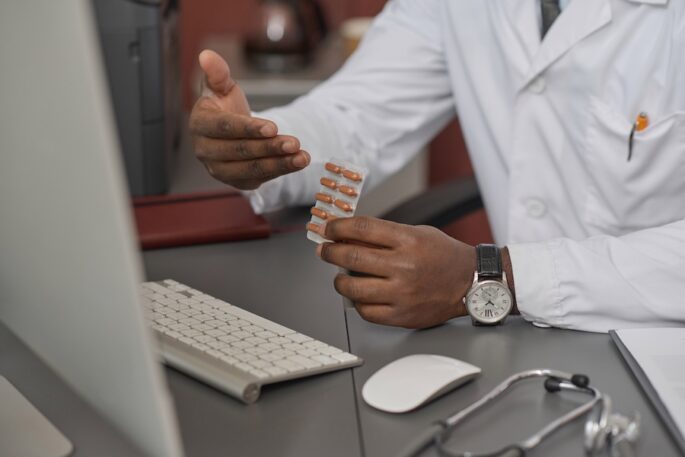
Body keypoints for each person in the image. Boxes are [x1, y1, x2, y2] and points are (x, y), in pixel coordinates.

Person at [189, 0, 685, 332]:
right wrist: (264, 144)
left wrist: (494, 276)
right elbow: (359, 115)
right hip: (516, 342)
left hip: (654, 343)